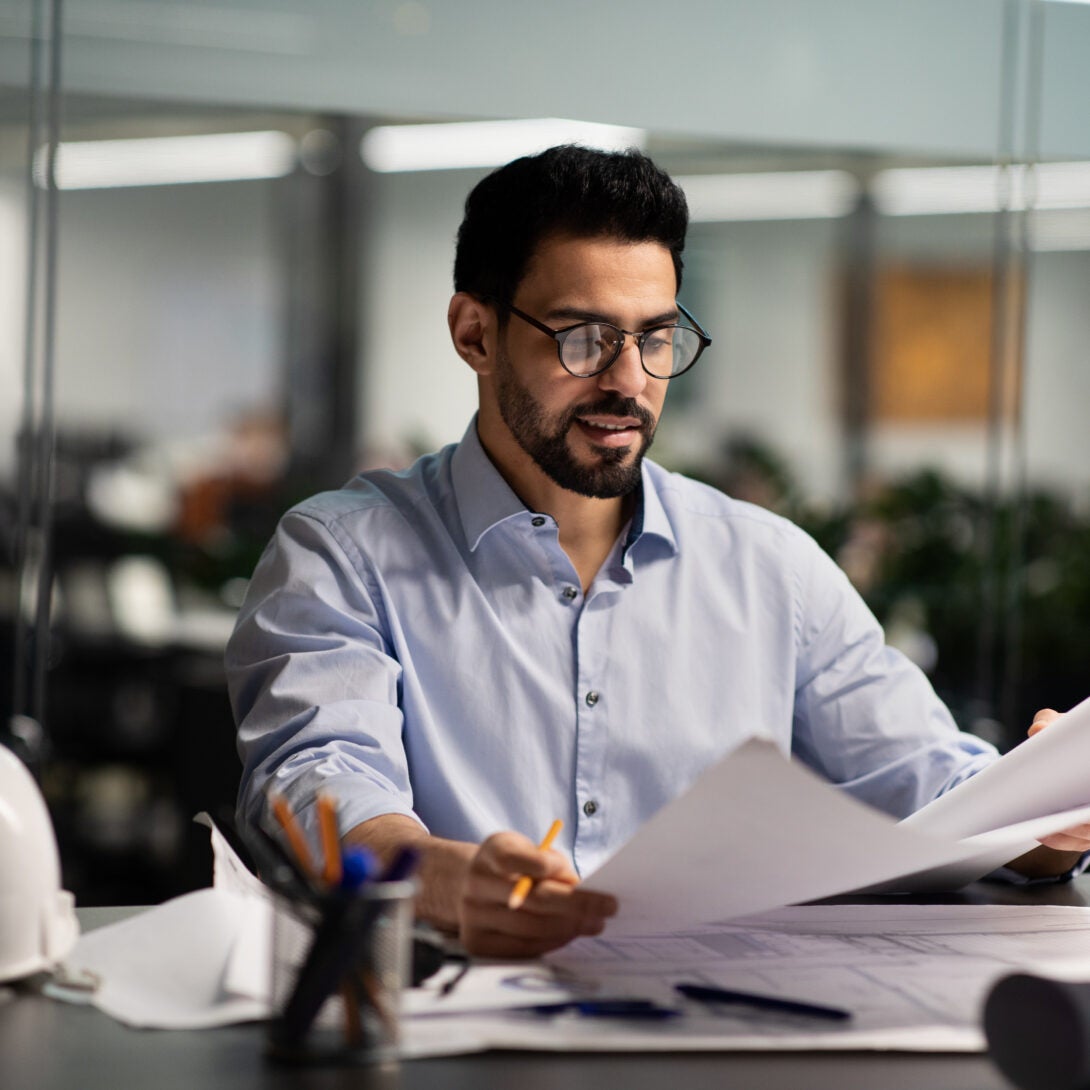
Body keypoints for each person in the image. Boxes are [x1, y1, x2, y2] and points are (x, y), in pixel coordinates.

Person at [226, 145, 1090, 958]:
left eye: (654, 336)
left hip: (717, 1027)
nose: (628, 379)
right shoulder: (342, 553)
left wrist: (1046, 820)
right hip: (452, 1018)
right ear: (476, 335)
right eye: (582, 337)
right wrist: (433, 877)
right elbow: (318, 778)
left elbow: (930, 785)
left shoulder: (768, 566)